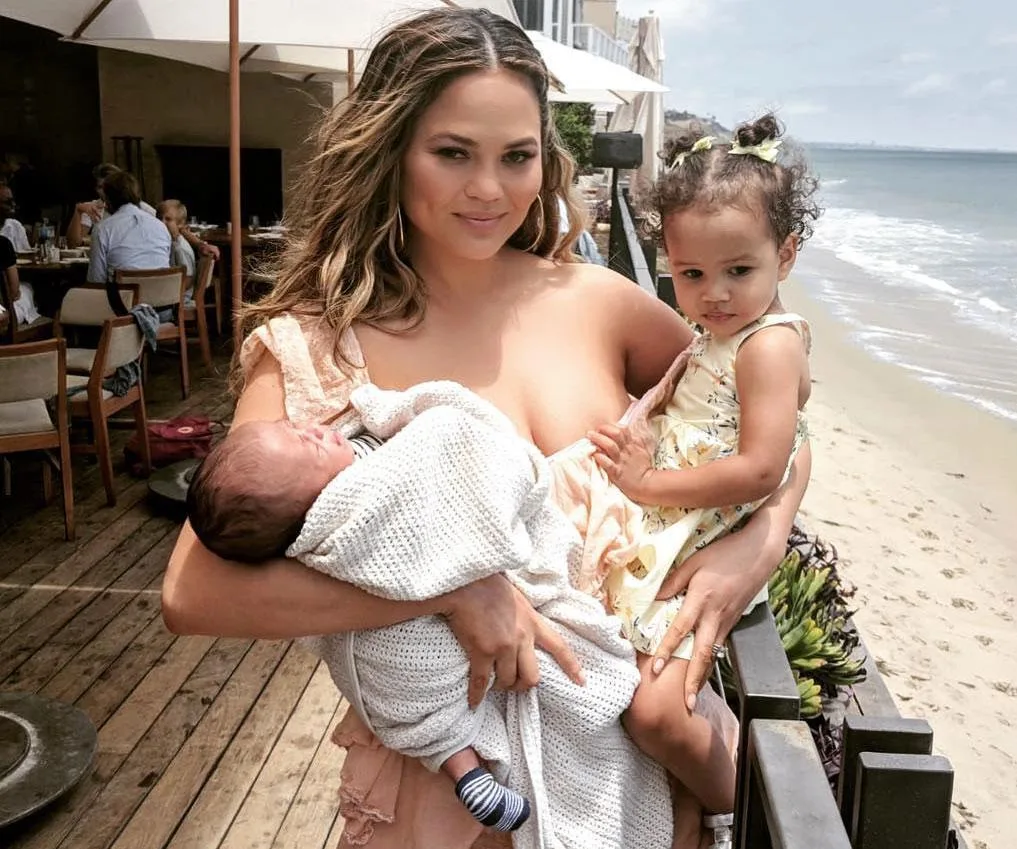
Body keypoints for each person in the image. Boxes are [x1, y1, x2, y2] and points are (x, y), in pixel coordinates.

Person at [162, 9, 811, 849]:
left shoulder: (598, 301)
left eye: (517, 156)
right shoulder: (317, 343)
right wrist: (454, 587)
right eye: (452, 153)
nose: (489, 190)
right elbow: (193, 592)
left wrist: (754, 545)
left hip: (637, 782)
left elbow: (771, 411)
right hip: (450, 800)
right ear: (389, 150)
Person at [588, 114, 821, 835]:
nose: (712, 293)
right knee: (643, 695)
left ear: (784, 255)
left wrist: (645, 484)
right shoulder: (720, 335)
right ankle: (693, 801)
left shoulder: (768, 347)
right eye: (690, 274)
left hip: (696, 535)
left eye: (737, 271)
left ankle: (748, 814)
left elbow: (758, 468)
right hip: (676, 529)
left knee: (656, 708)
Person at [67, 163, 220, 260]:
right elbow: (74, 244)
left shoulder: (140, 209)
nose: (103, 193)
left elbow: (171, 227)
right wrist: (78, 212)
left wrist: (200, 244)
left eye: (107, 188)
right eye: (100, 188)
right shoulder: (92, 207)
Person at [86, 170, 171, 285]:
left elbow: (96, 281)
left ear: (108, 199)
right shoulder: (161, 226)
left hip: (122, 300)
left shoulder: (103, 229)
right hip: (163, 298)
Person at [157, 199, 197, 295]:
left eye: (168, 219)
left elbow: (188, 279)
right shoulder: (172, 243)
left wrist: (168, 293)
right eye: (159, 218)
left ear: (180, 224)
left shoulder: (180, 248)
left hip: (180, 298)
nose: (162, 223)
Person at [0, 184, 32, 253]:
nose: (13, 204)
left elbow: (28, 254)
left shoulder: (16, 226)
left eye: (13, 200)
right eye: (8, 202)